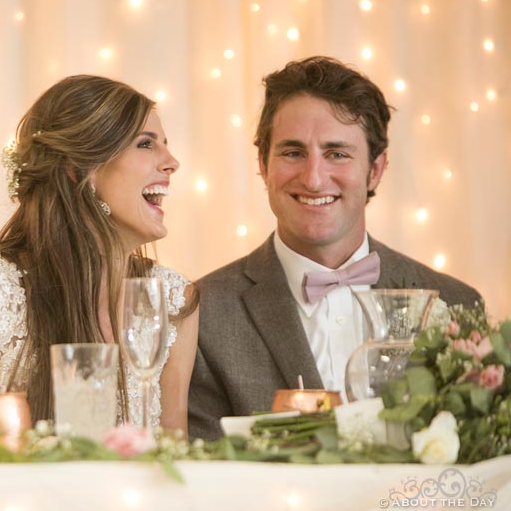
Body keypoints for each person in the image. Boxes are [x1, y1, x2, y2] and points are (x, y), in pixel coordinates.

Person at [188, 56, 481, 441]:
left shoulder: (457, 304)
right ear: (263, 164)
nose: (312, 178)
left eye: (337, 154)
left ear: (375, 169)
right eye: (292, 153)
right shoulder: (203, 314)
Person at [0, 75, 199, 443]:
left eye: (165, 146)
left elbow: (174, 462)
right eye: (145, 144)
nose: (172, 163)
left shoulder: (172, 299)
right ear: (80, 170)